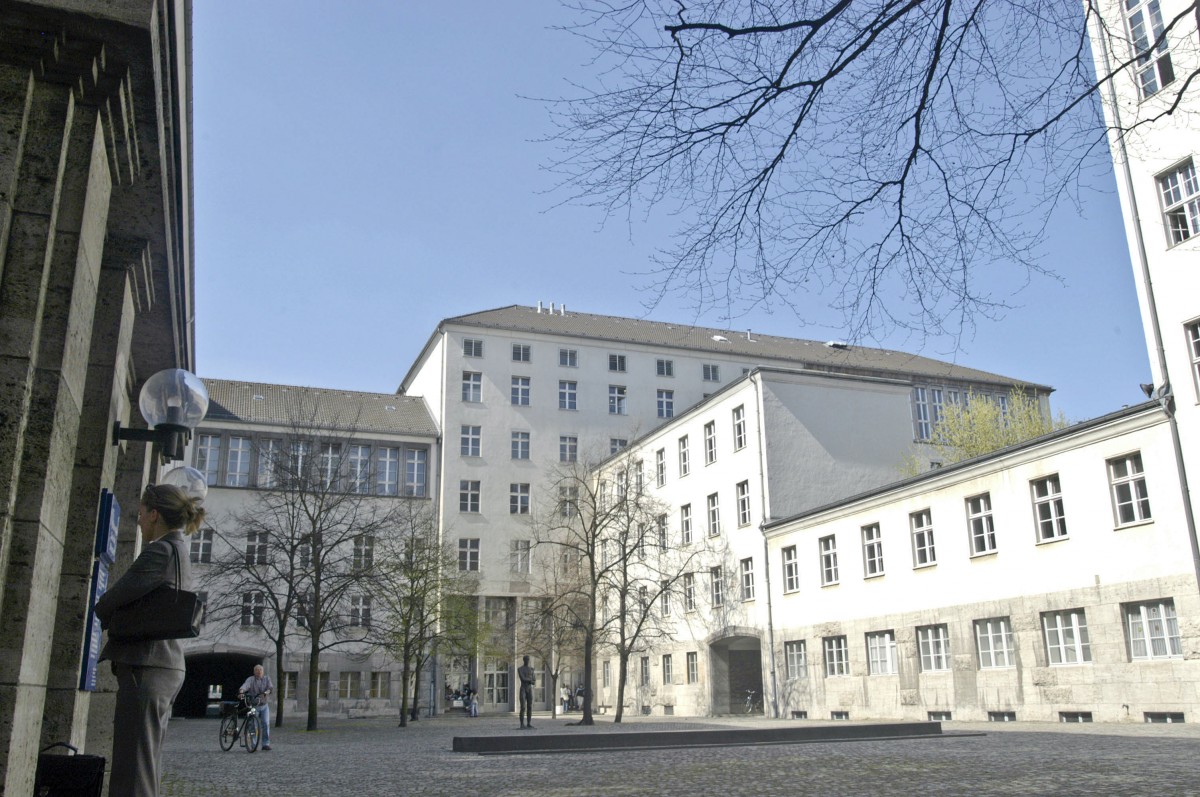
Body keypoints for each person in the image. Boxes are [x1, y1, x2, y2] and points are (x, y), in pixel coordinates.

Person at [95, 483, 203, 797]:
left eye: (141, 513)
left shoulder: (161, 549)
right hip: (162, 667)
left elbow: (110, 600)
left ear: (154, 514)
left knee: (132, 774)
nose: (139, 520)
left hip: (147, 666)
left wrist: (106, 613)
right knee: (144, 767)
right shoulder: (179, 549)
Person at [238, 664, 274, 750]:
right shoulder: (251, 679)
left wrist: (266, 693)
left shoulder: (266, 679)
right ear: (254, 672)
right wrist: (241, 691)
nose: (259, 672)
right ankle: (253, 744)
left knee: (265, 723)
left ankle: (265, 744)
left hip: (264, 705)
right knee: (253, 725)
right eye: (257, 670)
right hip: (254, 706)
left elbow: (270, 688)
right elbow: (245, 686)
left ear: (263, 672)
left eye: (260, 670)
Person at [517, 656, 535, 729]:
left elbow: (534, 680)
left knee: (529, 706)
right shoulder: (520, 669)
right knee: (523, 707)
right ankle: (522, 724)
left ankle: (528, 723)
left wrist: (530, 680)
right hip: (523, 689)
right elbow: (523, 678)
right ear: (523, 660)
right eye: (526, 660)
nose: (527, 661)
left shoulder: (531, 669)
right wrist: (530, 680)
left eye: (528, 660)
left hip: (529, 689)